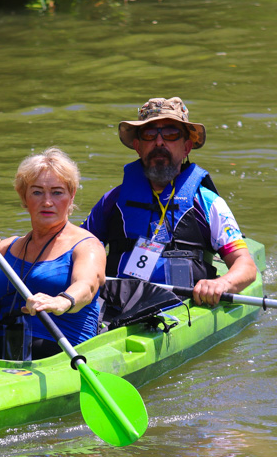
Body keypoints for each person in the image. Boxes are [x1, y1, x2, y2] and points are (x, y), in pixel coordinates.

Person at [82, 97, 258, 307]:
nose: (159, 142)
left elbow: (245, 266)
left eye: (171, 134)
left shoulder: (207, 203)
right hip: (116, 303)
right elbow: (75, 250)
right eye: (149, 134)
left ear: (186, 148)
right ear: (138, 146)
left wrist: (222, 283)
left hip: (182, 306)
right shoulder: (112, 202)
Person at [0, 148, 106, 360]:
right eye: (37, 192)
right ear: (24, 197)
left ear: (71, 196)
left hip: (61, 354)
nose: (47, 202)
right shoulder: (8, 247)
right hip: (0, 350)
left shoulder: (87, 245)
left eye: (57, 192)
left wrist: (61, 302)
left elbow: (86, 286)